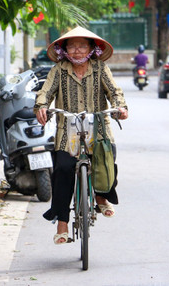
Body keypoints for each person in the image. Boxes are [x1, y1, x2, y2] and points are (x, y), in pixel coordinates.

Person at [33, 26, 128, 245]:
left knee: (107, 160)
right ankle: (62, 224)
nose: (77, 51)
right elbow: (45, 92)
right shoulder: (58, 70)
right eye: (72, 46)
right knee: (63, 169)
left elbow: (114, 91)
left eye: (82, 45)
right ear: (64, 49)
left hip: (99, 127)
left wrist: (120, 107)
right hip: (68, 129)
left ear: (91, 48)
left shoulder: (100, 68)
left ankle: (101, 196)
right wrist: (41, 106)